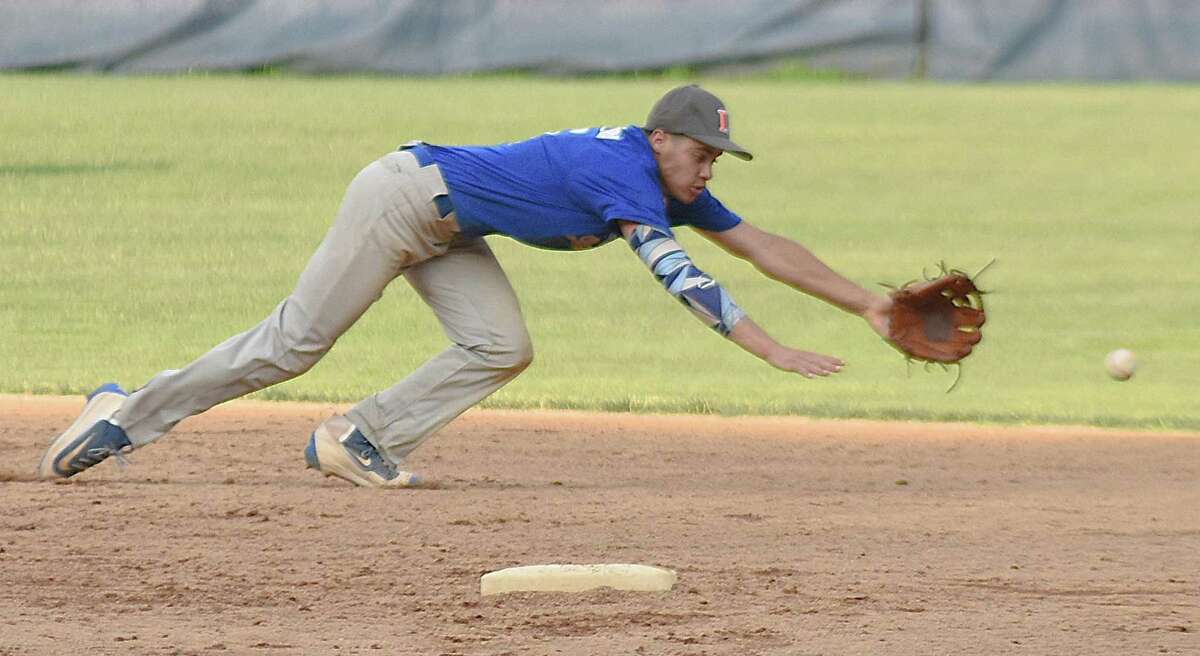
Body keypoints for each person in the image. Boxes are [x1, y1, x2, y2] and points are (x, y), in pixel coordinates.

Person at [39, 84, 893, 488]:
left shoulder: (666, 179)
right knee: (295, 342)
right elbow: (680, 274)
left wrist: (868, 304)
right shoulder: (623, 173)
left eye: (716, 158)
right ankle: (122, 412)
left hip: (452, 225)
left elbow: (760, 244)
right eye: (701, 151)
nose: (708, 168)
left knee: (501, 346)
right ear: (661, 136)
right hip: (404, 197)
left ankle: (359, 437)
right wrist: (770, 348)